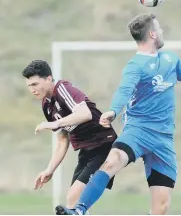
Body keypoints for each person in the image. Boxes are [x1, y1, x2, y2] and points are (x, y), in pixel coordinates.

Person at [55, 13, 181, 215]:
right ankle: (80, 210)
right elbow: (124, 90)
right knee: (113, 160)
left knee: (161, 207)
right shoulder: (135, 66)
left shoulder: (170, 60)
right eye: (159, 28)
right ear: (152, 34)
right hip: (138, 131)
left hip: (163, 139)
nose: (162, 31)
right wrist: (113, 110)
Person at [22, 60, 117, 213]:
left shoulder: (63, 89)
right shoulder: (46, 105)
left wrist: (55, 123)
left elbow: (84, 114)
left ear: (49, 79)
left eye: (35, 84)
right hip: (87, 151)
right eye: (29, 86)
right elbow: (62, 141)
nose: (32, 90)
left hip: (103, 145)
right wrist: (49, 170)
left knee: (74, 199)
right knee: (73, 203)